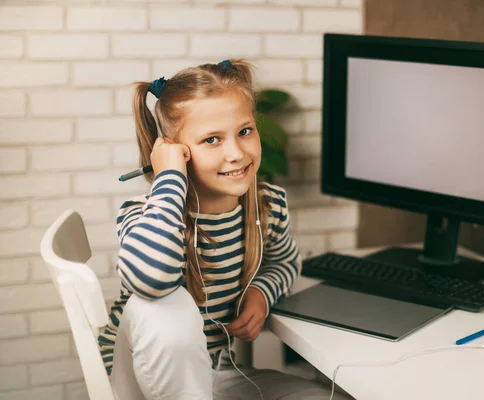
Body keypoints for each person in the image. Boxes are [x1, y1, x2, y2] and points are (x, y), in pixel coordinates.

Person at [97, 59, 352, 400]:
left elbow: (285, 262)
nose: (236, 153)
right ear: (175, 151)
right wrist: (170, 178)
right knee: (166, 311)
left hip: (214, 372)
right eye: (212, 139)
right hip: (141, 381)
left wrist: (261, 293)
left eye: (245, 131)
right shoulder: (145, 213)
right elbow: (150, 278)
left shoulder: (266, 205)